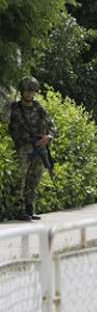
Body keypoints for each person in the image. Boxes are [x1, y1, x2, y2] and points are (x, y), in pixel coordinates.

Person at [8, 76, 56, 221]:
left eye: (32, 91)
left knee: (34, 180)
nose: (29, 94)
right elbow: (5, 121)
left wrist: (49, 137)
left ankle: (30, 209)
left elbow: (52, 125)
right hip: (23, 148)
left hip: (39, 147)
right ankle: (18, 210)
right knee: (20, 180)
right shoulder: (15, 108)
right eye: (27, 91)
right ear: (22, 91)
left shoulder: (38, 107)